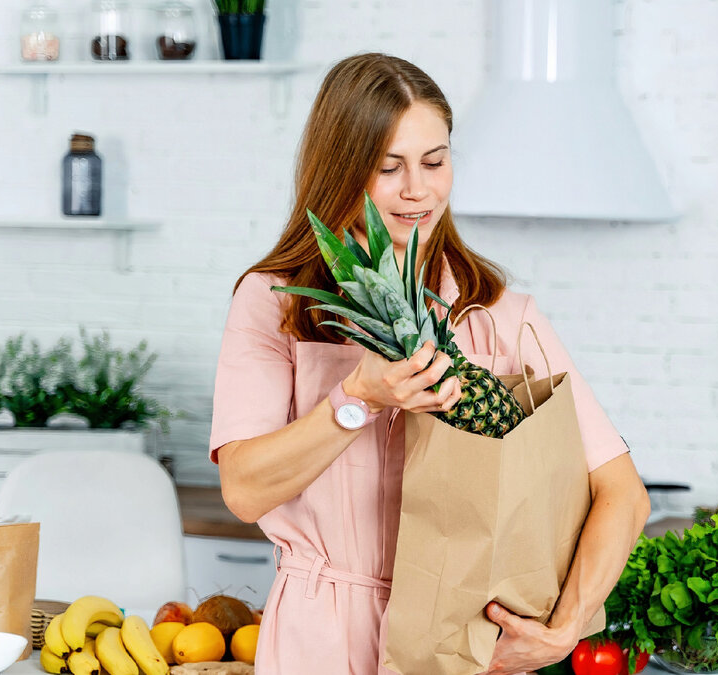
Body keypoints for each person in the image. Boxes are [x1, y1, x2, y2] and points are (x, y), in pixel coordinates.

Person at [208, 53, 651, 674]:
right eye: (389, 168)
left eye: (435, 162)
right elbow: (244, 490)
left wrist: (565, 628)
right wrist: (358, 397)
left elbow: (622, 493)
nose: (417, 189)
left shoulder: (498, 313)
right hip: (320, 638)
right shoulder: (274, 303)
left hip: (461, 644)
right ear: (339, 172)